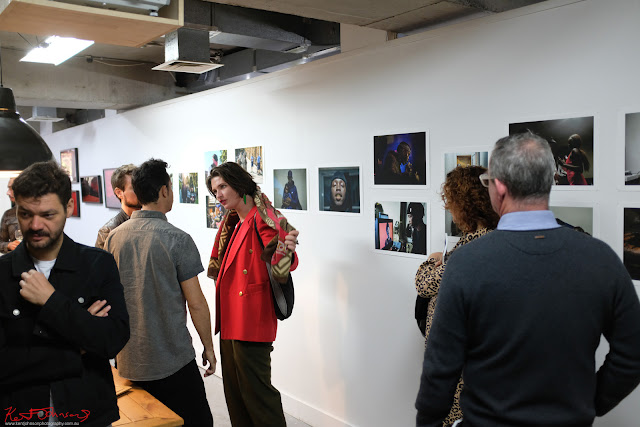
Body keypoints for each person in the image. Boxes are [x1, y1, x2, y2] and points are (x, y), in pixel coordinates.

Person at [415, 133, 640, 427]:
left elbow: (440, 371)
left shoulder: (466, 263)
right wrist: (590, 401)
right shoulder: (601, 258)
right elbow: (633, 352)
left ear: (499, 187)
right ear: (550, 181)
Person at [0, 160, 130, 427]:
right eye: (25, 214)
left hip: (87, 413)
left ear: (69, 207)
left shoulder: (98, 264)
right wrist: (76, 348)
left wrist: (51, 301)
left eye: (47, 215)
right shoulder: (1, 274)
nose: (35, 225)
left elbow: (111, 341)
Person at [105, 159, 215, 427]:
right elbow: (197, 303)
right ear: (165, 190)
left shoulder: (114, 237)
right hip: (172, 360)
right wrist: (209, 348)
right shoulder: (177, 239)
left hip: (129, 359)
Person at [207, 162, 299, 427]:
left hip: (252, 320)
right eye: (215, 191)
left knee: (259, 397)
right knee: (235, 397)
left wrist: (286, 250)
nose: (219, 194)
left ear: (239, 183)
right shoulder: (234, 222)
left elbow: (286, 265)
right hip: (230, 321)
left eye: (223, 186)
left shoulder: (264, 217)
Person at [414, 165, 499, 427]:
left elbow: (424, 284)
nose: (449, 207)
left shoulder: (472, 247)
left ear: (466, 203)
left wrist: (430, 261)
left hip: (460, 364)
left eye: (452, 201)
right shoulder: (493, 240)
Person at [95, 164, 141, 250]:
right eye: (134, 188)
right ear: (119, 193)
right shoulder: (107, 231)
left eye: (141, 187)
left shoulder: (150, 222)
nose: (141, 192)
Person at [0, 177, 20, 253]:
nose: (7, 193)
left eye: (11, 188)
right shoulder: (8, 214)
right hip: (16, 261)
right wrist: (9, 245)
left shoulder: (41, 212)